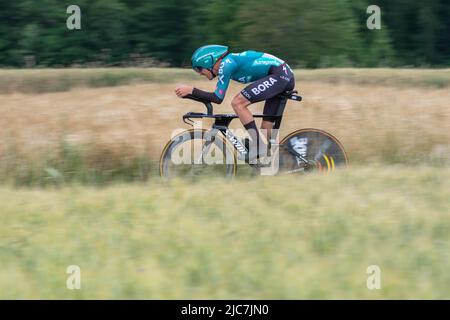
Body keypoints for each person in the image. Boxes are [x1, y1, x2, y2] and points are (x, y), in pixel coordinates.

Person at [175, 45, 295, 160]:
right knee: (266, 129)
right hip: (281, 75)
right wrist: (190, 94)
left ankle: (259, 146)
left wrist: (191, 90)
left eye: (199, 69)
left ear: (208, 62)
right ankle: (289, 160)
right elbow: (216, 97)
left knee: (238, 103)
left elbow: (217, 98)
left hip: (280, 74)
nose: (199, 73)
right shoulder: (227, 63)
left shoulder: (226, 65)